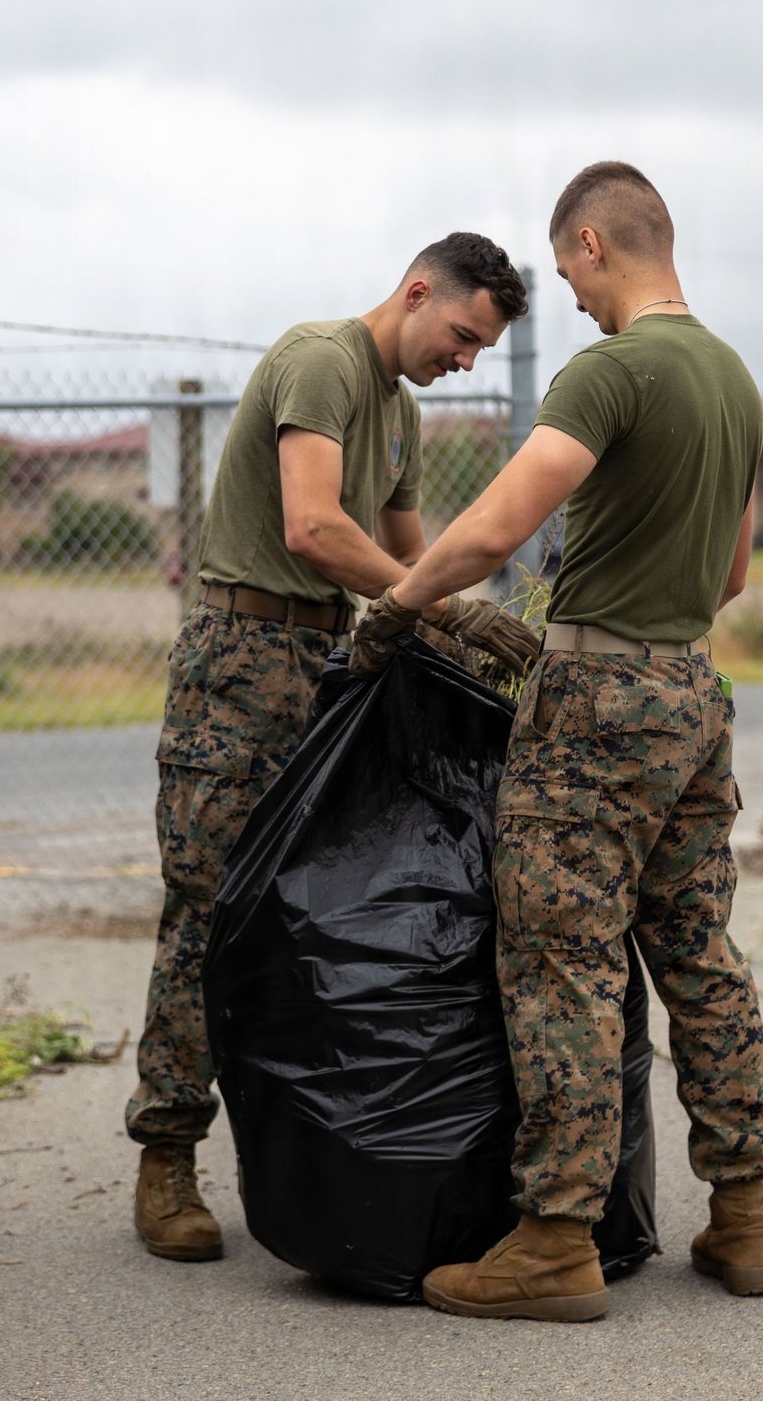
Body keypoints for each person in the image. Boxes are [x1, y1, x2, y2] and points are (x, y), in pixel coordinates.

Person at [351, 162, 763, 1321]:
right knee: (695, 948)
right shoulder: (735, 380)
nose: (576, 300)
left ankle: (553, 1241)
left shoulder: (613, 371)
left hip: (595, 697)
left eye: (566, 273)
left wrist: (397, 608)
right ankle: (743, 1214)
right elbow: (732, 574)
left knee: (561, 956)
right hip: (692, 691)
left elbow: (496, 526)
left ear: (593, 243)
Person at [126, 232, 539, 1261]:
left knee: (312, 918)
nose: (465, 361)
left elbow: (408, 550)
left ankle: (302, 1159)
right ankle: (166, 1156)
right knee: (209, 911)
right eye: (461, 335)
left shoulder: (400, 411)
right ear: (416, 293)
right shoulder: (321, 360)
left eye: (482, 350)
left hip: (328, 668)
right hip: (242, 662)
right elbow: (313, 529)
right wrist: (439, 610)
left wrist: (464, 614)